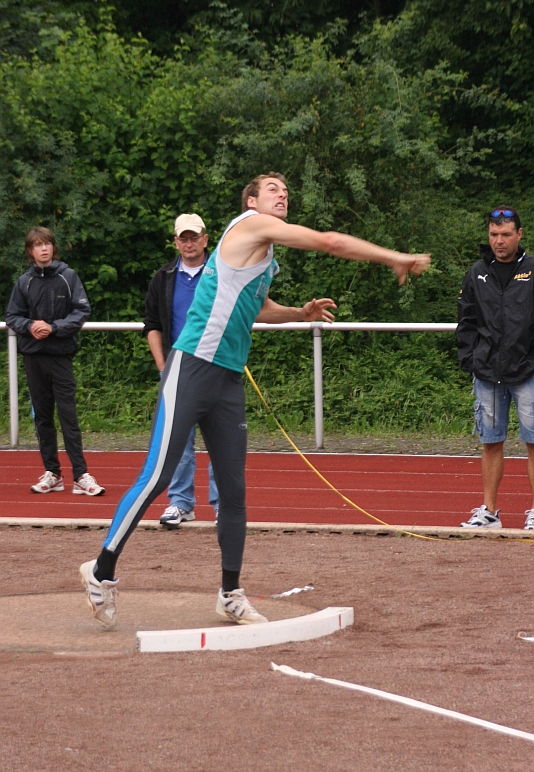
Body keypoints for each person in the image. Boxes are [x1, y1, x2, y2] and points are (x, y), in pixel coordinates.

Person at [80, 172, 431, 630]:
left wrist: (298, 313)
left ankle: (230, 593)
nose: (282, 194)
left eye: (286, 190)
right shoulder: (249, 225)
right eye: (272, 189)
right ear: (251, 201)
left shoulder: (265, 259)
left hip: (227, 379)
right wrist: (393, 257)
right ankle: (101, 571)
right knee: (158, 476)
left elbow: (259, 309)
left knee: (235, 491)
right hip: (191, 367)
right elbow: (328, 241)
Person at [5, 227, 105, 496]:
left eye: (47, 243)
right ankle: (53, 473)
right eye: (38, 245)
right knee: (43, 419)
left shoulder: (68, 276)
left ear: (53, 247)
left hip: (61, 357)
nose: (43, 249)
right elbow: (13, 315)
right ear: (30, 251)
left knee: (68, 417)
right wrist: (30, 325)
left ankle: (81, 475)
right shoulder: (23, 282)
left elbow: (82, 310)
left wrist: (54, 327)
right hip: (34, 357)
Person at [457, 206, 534, 530]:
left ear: (519, 234)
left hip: (528, 371)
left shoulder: (532, 270)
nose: (498, 241)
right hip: (488, 371)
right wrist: (470, 360)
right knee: (491, 441)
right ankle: (489, 511)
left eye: (505, 234)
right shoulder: (477, 273)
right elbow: (467, 320)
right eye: (493, 235)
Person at [144, 212, 219, 525]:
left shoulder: (220, 274)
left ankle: (222, 505)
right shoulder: (163, 277)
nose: (189, 243)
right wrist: (163, 366)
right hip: (178, 367)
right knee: (178, 438)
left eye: (194, 237)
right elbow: (152, 325)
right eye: (183, 238)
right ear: (176, 242)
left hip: (216, 365)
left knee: (219, 439)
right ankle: (181, 502)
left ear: (205, 240)